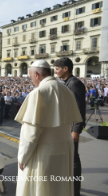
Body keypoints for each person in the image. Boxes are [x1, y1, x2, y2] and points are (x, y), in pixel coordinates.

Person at [15, 60, 82, 196]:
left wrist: (23, 157)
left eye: (31, 76)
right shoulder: (66, 90)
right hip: (64, 149)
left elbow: (31, 134)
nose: (31, 79)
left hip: (43, 152)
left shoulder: (38, 93)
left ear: (37, 75)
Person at [54, 57, 86, 196]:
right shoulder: (66, 83)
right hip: (66, 128)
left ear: (65, 69)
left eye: (57, 68)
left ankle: (75, 190)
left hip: (71, 129)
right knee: (69, 158)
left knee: (73, 160)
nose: (55, 72)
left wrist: (76, 130)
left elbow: (79, 108)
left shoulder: (74, 83)